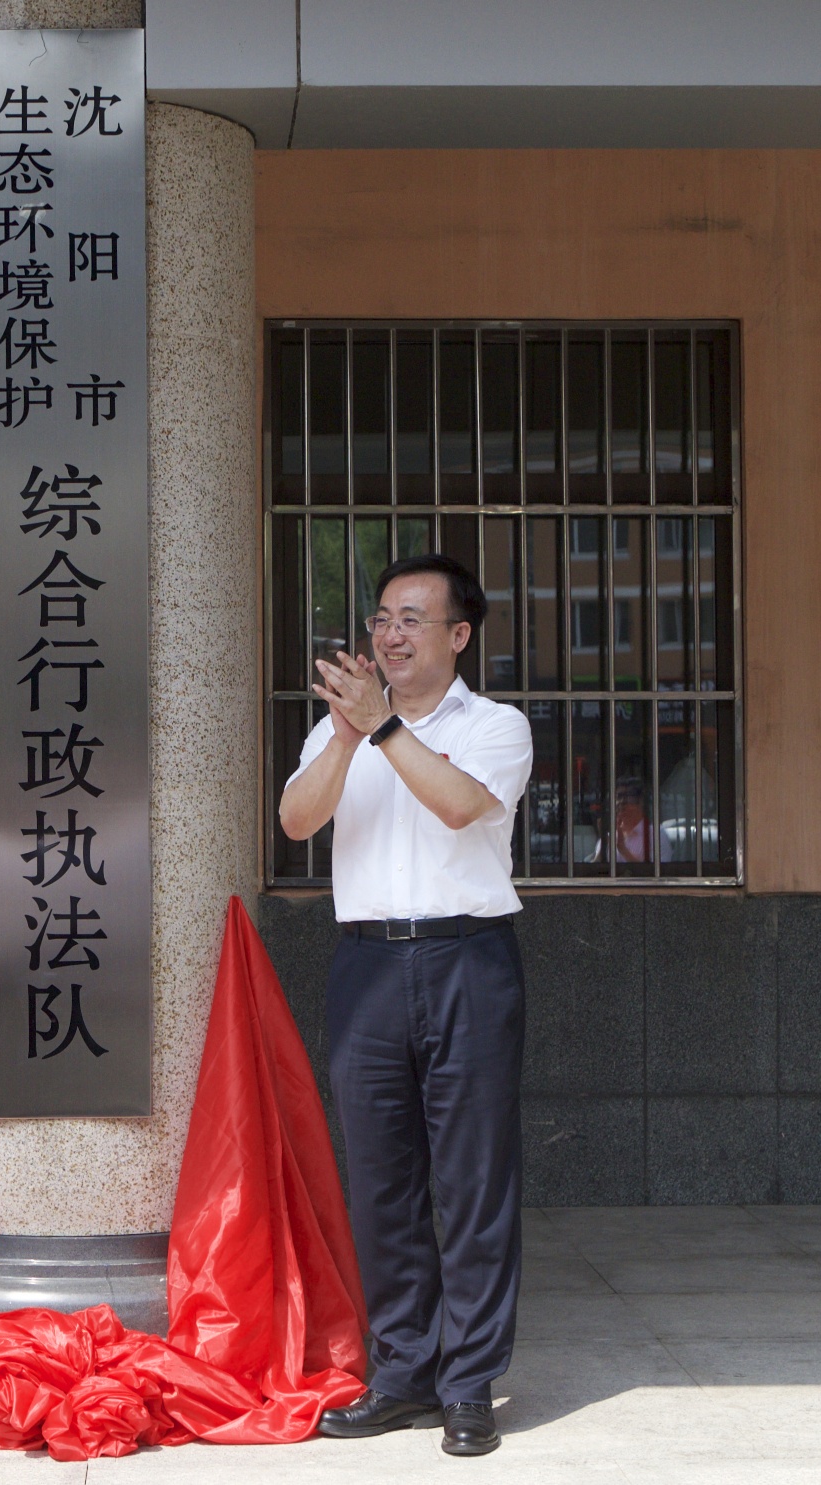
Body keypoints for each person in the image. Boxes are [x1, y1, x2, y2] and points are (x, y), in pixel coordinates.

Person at [279, 553, 533, 1460]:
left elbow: (461, 805)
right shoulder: (338, 729)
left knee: (470, 1181)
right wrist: (349, 735)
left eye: (411, 618)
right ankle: (401, 1376)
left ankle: (468, 1386)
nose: (389, 633)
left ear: (458, 635)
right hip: (368, 965)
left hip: (468, 959)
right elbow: (296, 821)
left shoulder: (495, 725)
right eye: (382, 617)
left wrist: (383, 727)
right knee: (382, 1183)